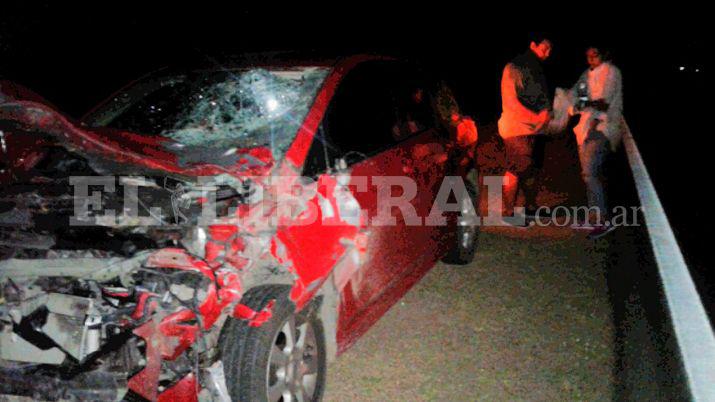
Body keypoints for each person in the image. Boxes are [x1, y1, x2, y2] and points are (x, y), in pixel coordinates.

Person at [498, 35, 552, 225]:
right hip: (517, 129)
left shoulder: (537, 69)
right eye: (544, 48)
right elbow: (511, 101)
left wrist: (545, 117)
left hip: (535, 130)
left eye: (550, 49)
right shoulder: (515, 67)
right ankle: (507, 213)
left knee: (533, 170)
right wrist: (537, 118)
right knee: (516, 169)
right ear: (532, 45)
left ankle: (531, 208)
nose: (548, 53)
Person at [570, 46, 623, 238]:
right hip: (584, 129)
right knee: (588, 175)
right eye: (588, 55)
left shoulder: (612, 72)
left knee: (591, 173)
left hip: (602, 127)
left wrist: (585, 104)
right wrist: (575, 103)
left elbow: (604, 102)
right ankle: (594, 217)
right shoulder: (586, 74)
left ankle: (603, 221)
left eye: (595, 54)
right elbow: (577, 96)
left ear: (604, 54)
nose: (591, 58)